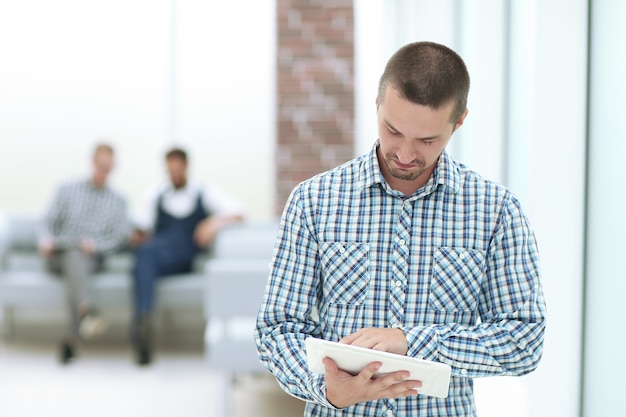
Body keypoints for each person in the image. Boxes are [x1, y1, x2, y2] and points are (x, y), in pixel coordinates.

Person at [255, 41, 547, 416]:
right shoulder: (313, 201)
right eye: (392, 131)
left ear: (459, 121)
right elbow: (276, 330)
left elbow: (524, 341)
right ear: (377, 104)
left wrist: (411, 342)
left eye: (427, 140)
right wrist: (325, 389)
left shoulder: (497, 211)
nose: (406, 155)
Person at [130, 147, 245, 365]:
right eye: (169, 170)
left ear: (186, 167)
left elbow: (239, 211)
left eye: (177, 169)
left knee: (143, 260)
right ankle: (144, 320)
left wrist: (212, 223)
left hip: (182, 256)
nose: (173, 174)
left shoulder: (205, 192)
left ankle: (141, 320)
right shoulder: (155, 195)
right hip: (157, 254)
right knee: (144, 254)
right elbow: (142, 227)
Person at [39, 143, 131, 364]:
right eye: (100, 166)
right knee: (72, 256)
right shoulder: (67, 189)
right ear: (92, 162)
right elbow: (46, 221)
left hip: (92, 257)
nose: (103, 172)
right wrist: (45, 239)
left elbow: (119, 238)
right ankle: (85, 314)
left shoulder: (118, 200)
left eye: (108, 168)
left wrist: (96, 246)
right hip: (59, 253)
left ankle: (77, 329)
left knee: (76, 260)